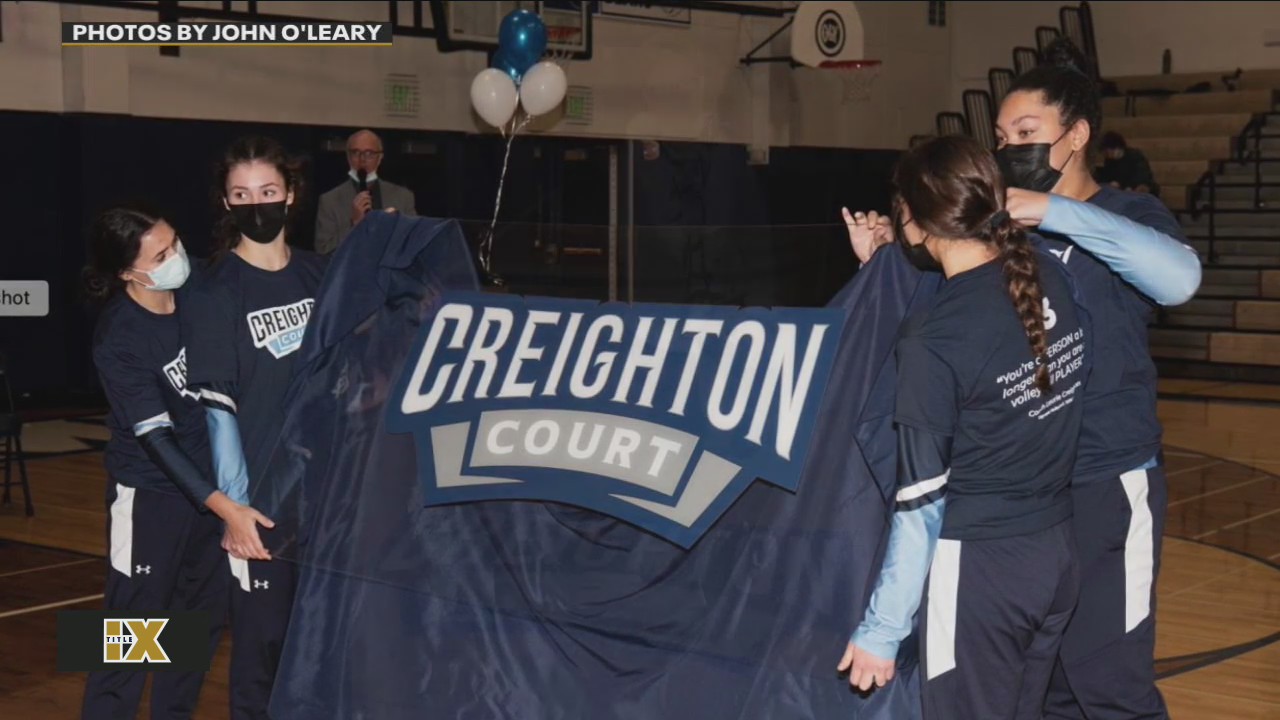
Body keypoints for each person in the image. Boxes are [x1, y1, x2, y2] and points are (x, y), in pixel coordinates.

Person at [838, 135, 1091, 719]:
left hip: (981, 574)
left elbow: (921, 503)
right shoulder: (1046, 273)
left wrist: (883, 628)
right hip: (1054, 557)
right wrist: (879, 263)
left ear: (915, 220)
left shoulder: (935, 339)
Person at [994, 39, 1200, 720]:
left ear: (1076, 136)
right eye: (1000, 137)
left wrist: (1052, 213)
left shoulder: (1130, 217)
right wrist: (884, 259)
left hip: (1108, 482)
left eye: (1027, 134)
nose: (1008, 148)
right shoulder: (999, 235)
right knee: (1044, 685)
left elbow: (1179, 280)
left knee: (1109, 685)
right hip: (1029, 491)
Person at [80, 206, 273, 719]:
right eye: (161, 255)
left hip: (208, 494)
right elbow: (156, 440)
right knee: (130, 634)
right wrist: (226, 509)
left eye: (175, 243)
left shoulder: (199, 295)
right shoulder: (119, 337)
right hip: (151, 496)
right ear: (128, 273)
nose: (176, 258)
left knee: (193, 631)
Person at [180, 136, 327, 719]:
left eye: (267, 191)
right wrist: (235, 510)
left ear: (290, 195)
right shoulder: (215, 291)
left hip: (326, 496)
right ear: (225, 201)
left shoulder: (320, 274)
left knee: (314, 650)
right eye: (241, 195)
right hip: (264, 505)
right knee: (259, 660)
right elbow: (218, 411)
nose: (256, 204)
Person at [314, 129, 416, 255]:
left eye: (369, 153)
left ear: (380, 157)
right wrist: (354, 225)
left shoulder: (403, 197)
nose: (362, 160)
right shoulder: (330, 200)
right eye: (356, 153)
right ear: (348, 157)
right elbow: (322, 251)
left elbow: (415, 243)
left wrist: (396, 228)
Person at [1095, 132, 1160, 197]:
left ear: (1118, 147)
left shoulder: (1135, 156)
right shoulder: (1109, 161)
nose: (1109, 154)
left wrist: (1129, 186)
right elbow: (1109, 176)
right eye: (1106, 153)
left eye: (1110, 151)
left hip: (1137, 190)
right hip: (1121, 193)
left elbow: (1142, 175)